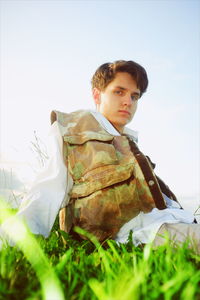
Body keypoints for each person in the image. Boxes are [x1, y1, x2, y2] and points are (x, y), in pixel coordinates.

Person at [0, 60, 199, 252]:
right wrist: (10, 242)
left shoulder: (128, 144)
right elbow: (45, 193)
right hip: (140, 235)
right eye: (119, 92)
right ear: (97, 95)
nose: (127, 102)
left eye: (134, 96)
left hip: (173, 222)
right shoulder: (73, 132)